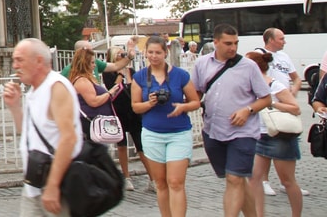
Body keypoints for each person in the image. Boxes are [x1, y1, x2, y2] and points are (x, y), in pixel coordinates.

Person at [192, 23, 271, 217]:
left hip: (243, 132)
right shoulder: (201, 64)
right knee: (236, 179)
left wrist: (247, 110)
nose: (233, 47)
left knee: (235, 179)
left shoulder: (249, 66)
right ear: (216, 42)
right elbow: (195, 94)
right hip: (213, 130)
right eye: (228, 43)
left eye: (236, 43)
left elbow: (266, 98)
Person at [3, 38, 81, 216]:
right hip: (33, 185)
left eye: (20, 60)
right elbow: (29, 135)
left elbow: (69, 138)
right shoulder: (34, 91)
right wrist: (15, 107)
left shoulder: (56, 87)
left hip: (57, 185)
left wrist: (53, 185)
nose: (15, 65)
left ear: (38, 61)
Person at [131, 35, 200, 217]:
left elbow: (195, 102)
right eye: (150, 52)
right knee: (160, 183)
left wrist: (183, 107)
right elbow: (135, 106)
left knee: (175, 182)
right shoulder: (139, 77)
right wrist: (150, 104)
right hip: (152, 134)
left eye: (158, 53)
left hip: (178, 133)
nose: (154, 56)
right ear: (145, 53)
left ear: (165, 53)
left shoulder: (180, 75)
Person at [246, 50, 303, 217]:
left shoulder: (274, 85)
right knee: (254, 178)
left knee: (287, 180)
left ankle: (296, 214)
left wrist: (271, 104)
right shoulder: (248, 86)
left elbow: (296, 108)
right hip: (259, 135)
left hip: (279, 136)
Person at [257, 28, 302, 197]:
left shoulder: (285, 56)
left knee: (288, 139)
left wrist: (292, 91)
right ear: (270, 40)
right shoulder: (259, 54)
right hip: (269, 105)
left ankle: (287, 180)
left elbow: (296, 78)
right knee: (267, 141)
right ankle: (264, 181)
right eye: (281, 38)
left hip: (284, 103)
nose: (285, 41)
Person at [103, 45, 144, 189]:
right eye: (119, 55)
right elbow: (113, 90)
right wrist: (120, 74)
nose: (123, 57)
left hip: (132, 112)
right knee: (122, 145)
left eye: (123, 54)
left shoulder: (132, 71)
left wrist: (128, 74)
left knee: (141, 145)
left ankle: (153, 178)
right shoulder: (108, 73)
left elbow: (135, 89)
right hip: (118, 112)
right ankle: (126, 177)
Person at [68, 47, 123, 139]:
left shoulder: (88, 78)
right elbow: (93, 102)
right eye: (92, 63)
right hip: (89, 125)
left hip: (96, 124)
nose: (94, 65)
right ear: (84, 64)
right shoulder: (82, 81)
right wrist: (109, 93)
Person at [59, 39, 133, 78]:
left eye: (92, 50)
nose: (92, 53)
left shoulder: (95, 62)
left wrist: (129, 57)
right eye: (89, 51)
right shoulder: (68, 70)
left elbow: (115, 66)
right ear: (79, 52)